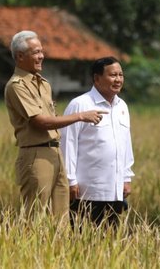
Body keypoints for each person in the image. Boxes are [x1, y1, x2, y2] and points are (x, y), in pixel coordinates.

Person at [4, 30, 107, 219]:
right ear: (20, 56)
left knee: (61, 217)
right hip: (36, 155)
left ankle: (57, 248)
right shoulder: (16, 86)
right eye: (35, 52)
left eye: (41, 51)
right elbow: (41, 122)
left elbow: (51, 117)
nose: (41, 56)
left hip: (56, 152)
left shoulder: (44, 84)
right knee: (34, 217)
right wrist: (81, 116)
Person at [60, 56, 134, 228]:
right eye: (113, 75)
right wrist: (70, 180)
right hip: (87, 190)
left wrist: (126, 177)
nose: (118, 80)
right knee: (83, 239)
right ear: (96, 78)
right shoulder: (80, 104)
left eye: (121, 75)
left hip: (115, 189)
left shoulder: (122, 106)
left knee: (110, 241)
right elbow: (68, 144)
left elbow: (125, 144)